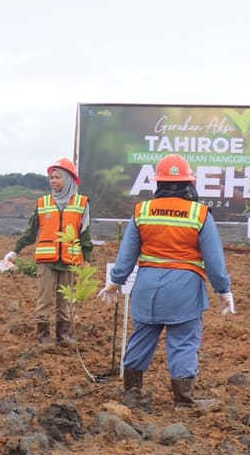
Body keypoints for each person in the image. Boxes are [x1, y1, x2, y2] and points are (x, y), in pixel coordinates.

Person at [99, 154, 235, 410]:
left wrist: (114, 282)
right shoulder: (200, 213)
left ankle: (133, 394)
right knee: (183, 342)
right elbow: (214, 261)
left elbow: (126, 255)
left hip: (146, 289)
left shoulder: (142, 211)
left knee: (142, 337)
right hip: (184, 290)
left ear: (158, 183)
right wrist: (223, 290)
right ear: (189, 183)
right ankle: (184, 401)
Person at [0, 157, 92, 345]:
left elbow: (85, 235)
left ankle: (64, 335)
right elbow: (30, 232)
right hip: (46, 261)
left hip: (70, 261)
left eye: (57, 177)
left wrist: (87, 261)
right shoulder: (43, 203)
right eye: (51, 178)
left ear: (68, 179)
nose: (53, 182)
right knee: (45, 300)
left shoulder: (81, 203)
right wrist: (14, 252)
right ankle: (43, 337)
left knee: (65, 300)